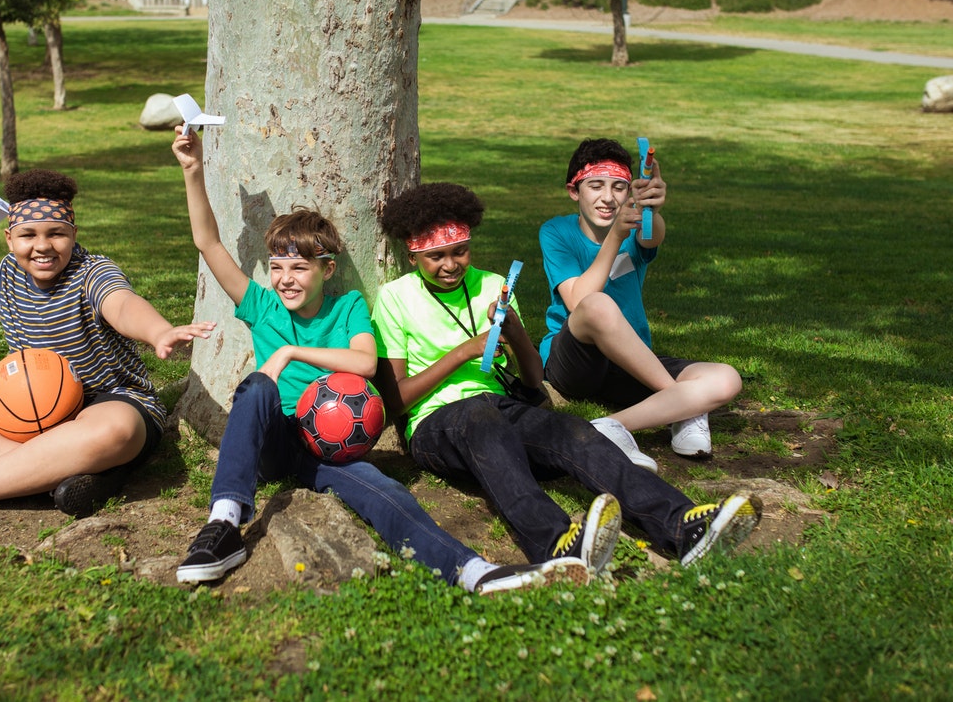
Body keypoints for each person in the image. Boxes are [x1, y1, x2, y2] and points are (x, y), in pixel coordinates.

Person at [169, 126, 611, 594]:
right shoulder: (261, 307)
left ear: (327, 269)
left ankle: (475, 572)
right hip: (276, 440)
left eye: (299, 267)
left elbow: (363, 364)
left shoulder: (350, 308)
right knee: (258, 386)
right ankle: (223, 524)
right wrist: (193, 169)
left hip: (331, 445)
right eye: (277, 268)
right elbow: (208, 244)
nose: (285, 279)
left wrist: (290, 351)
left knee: (389, 494)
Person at [371, 182, 761, 570]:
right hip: (437, 425)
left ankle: (682, 527)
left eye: (460, 252)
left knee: (576, 433)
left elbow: (532, 380)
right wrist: (465, 352)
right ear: (412, 256)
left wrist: (515, 332)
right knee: (480, 416)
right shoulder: (395, 298)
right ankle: (557, 545)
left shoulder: (492, 285)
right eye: (436, 256)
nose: (451, 265)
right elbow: (396, 400)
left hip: (502, 408)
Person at [0, 169, 215, 517]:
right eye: (28, 235)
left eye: (56, 233)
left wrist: (158, 331)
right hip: (26, 408)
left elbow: (122, 304)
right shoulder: (8, 275)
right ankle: (59, 474)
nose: (42, 245)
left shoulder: (92, 271)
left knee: (116, 432)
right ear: (9, 238)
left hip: (105, 402)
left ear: (74, 234)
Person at [539, 138, 743, 468]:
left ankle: (609, 428)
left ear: (630, 192)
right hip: (575, 362)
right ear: (574, 191)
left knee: (726, 378)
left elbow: (652, 235)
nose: (607, 197)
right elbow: (579, 301)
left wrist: (653, 210)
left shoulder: (637, 228)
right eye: (595, 186)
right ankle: (682, 405)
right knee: (599, 304)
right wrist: (615, 238)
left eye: (619, 187)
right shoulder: (556, 232)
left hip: (631, 357)